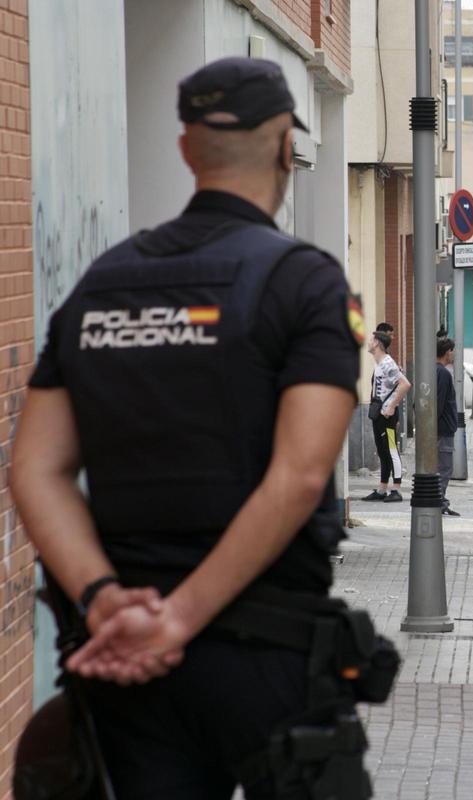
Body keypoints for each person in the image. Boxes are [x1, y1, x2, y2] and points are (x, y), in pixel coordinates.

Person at [10, 57, 390, 799]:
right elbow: (302, 473)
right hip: (266, 660)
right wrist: (178, 620)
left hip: (126, 669)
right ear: (286, 147)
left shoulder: (102, 286)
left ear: (187, 148)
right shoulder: (304, 283)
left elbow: (36, 469)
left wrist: (103, 602)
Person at [364, 330, 410, 501]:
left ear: (377, 343)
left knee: (391, 450)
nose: (369, 342)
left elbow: (405, 384)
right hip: (379, 414)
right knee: (382, 451)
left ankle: (396, 490)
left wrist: (391, 406)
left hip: (387, 416)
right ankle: (382, 489)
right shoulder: (380, 363)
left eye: (371, 339)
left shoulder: (387, 364)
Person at [436, 338, 461, 517]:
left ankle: (440, 501)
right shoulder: (443, 373)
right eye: (453, 351)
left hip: (439, 427)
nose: (454, 354)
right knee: (444, 468)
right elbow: (439, 402)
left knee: (441, 467)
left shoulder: (434, 370)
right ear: (447, 352)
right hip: (442, 428)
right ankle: (439, 501)